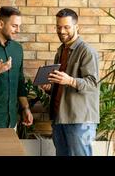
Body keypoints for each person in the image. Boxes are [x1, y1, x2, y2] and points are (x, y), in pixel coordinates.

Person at [42, 8, 99, 156]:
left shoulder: (86, 51)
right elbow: (61, 85)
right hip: (59, 118)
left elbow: (93, 84)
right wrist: (49, 88)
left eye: (66, 27)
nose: (62, 31)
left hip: (78, 120)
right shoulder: (60, 51)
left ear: (76, 27)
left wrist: (70, 80)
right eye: (59, 27)